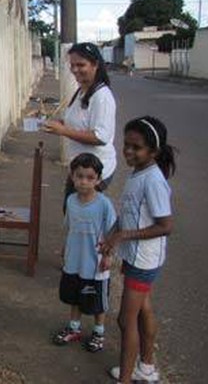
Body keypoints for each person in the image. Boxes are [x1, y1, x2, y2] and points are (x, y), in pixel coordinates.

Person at [99, 117, 175, 384]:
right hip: (134, 256)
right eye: (126, 145)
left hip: (144, 260)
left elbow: (165, 226)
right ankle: (146, 366)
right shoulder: (137, 172)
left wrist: (123, 235)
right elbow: (129, 214)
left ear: (153, 151)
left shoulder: (152, 180)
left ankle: (127, 378)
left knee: (125, 320)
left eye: (136, 147)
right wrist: (112, 236)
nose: (128, 151)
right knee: (143, 311)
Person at [52, 153, 117, 353]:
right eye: (79, 176)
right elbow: (70, 227)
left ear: (98, 179)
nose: (84, 182)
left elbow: (112, 232)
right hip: (74, 261)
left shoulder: (104, 204)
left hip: (95, 264)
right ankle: (74, 328)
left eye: (90, 178)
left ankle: (98, 332)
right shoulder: (71, 200)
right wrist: (65, 247)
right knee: (74, 296)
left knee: (97, 302)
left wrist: (108, 256)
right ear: (72, 176)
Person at [43, 42, 117, 211]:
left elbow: (100, 137)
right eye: (72, 65)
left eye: (81, 65)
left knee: (82, 219)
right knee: (72, 214)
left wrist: (63, 131)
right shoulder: (82, 90)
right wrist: (58, 125)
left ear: (95, 65)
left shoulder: (102, 97)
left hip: (94, 173)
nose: (75, 70)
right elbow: (78, 122)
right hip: (79, 168)